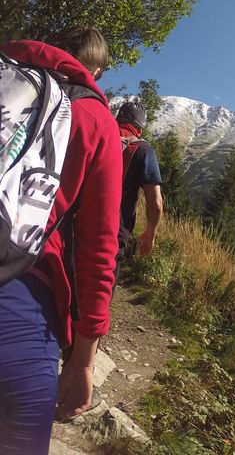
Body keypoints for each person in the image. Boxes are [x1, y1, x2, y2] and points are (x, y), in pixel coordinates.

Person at [0, 28, 122, 452]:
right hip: (20, 301)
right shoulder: (95, 117)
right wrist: (83, 358)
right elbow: (99, 249)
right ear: (96, 71)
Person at [115, 101, 163, 285]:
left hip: (74, 224)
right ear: (140, 129)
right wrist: (150, 234)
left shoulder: (99, 133)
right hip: (113, 231)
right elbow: (155, 202)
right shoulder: (143, 150)